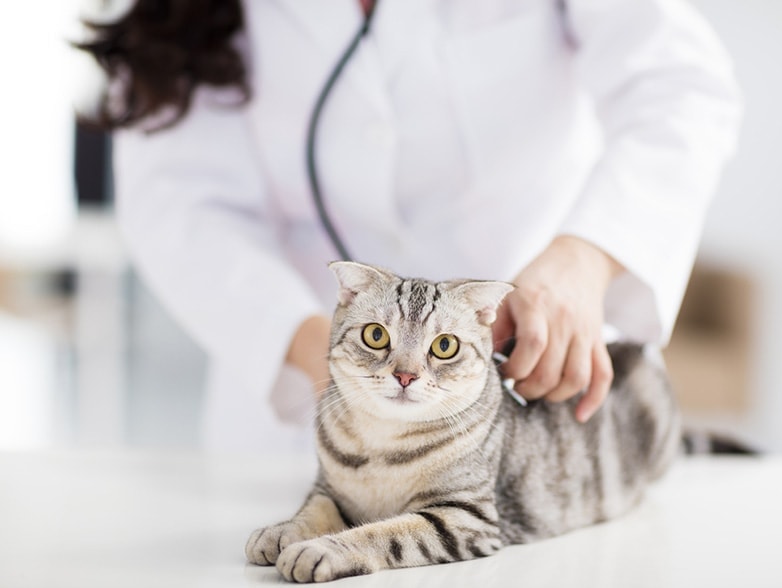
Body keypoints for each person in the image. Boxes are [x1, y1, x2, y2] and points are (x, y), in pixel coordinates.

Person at [78, 0, 741, 453]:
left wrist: (585, 258)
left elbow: (681, 89)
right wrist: (325, 359)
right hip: (294, 428)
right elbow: (181, 203)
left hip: (534, 393)